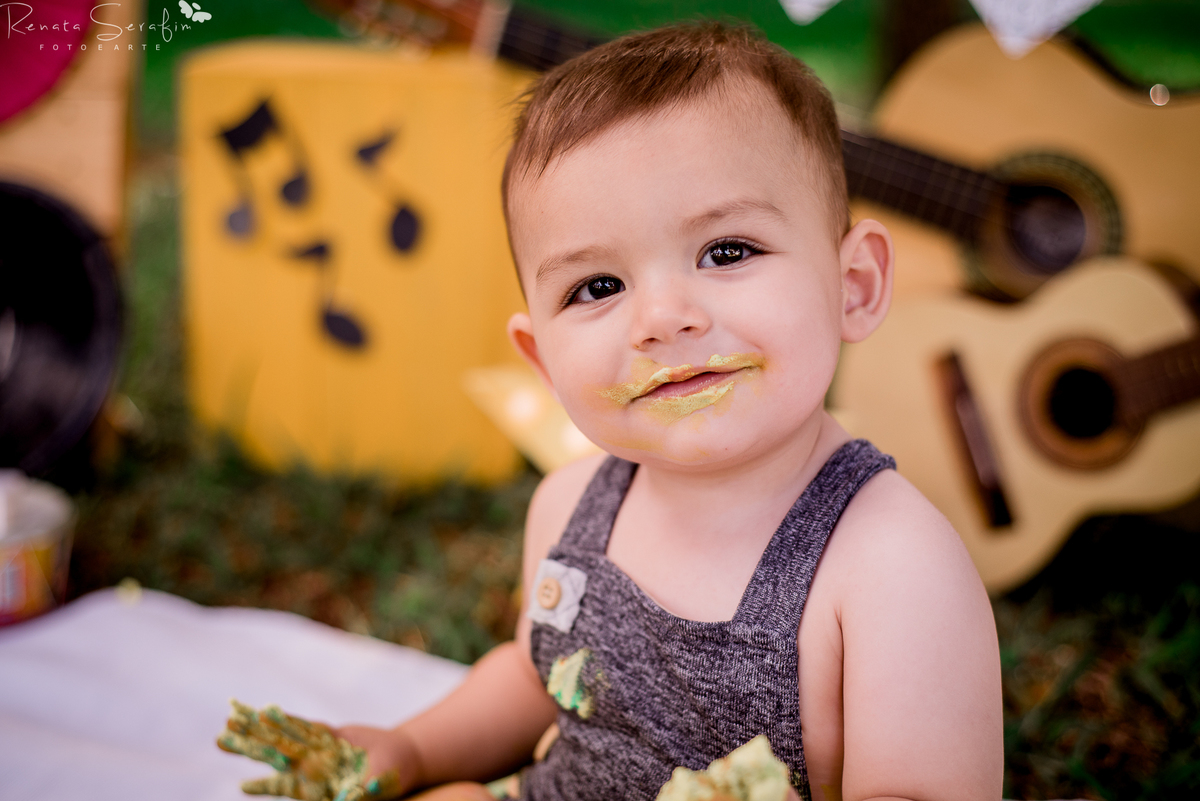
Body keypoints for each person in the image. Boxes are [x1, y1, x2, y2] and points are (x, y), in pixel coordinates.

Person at [339, 22, 1002, 801]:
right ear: (545, 361)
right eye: (596, 287)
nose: (660, 317)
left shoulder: (892, 561)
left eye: (727, 251)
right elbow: (533, 676)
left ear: (853, 285)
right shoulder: (569, 508)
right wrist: (412, 748)